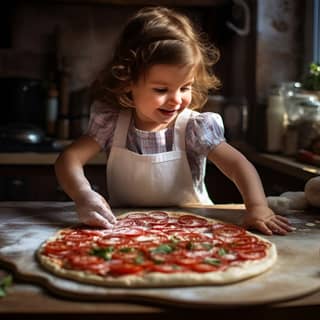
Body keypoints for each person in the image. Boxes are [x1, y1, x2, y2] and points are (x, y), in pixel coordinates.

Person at [55, 6, 292, 236]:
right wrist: (83, 194)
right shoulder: (112, 123)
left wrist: (257, 206)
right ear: (128, 81)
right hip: (127, 235)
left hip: (197, 234)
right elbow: (68, 159)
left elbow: (238, 165)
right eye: (161, 89)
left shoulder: (193, 127)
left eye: (185, 87)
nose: (176, 100)